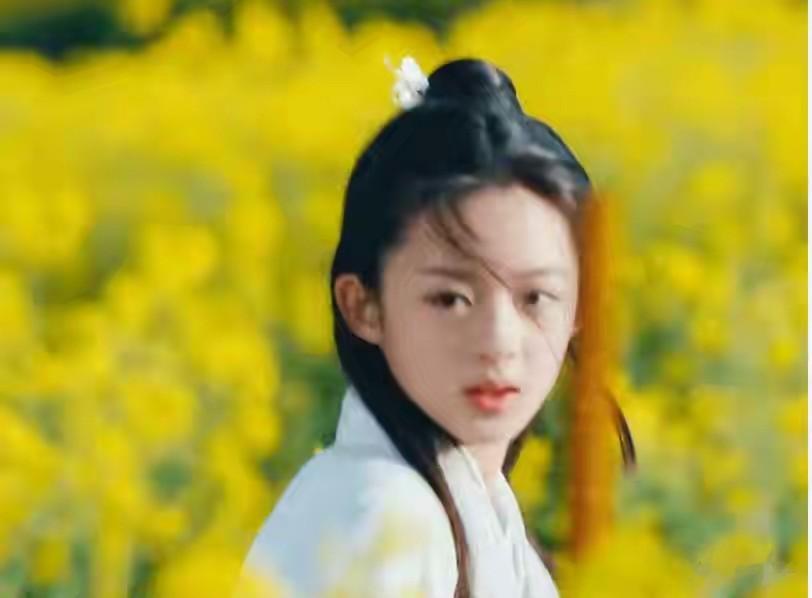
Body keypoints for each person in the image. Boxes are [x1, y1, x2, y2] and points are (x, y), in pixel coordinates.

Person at [235, 56, 635, 598]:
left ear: (580, 310)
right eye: (450, 298)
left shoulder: (456, 504)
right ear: (364, 305)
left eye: (535, 297)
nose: (498, 342)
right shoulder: (388, 520)